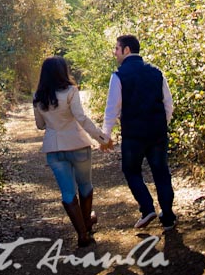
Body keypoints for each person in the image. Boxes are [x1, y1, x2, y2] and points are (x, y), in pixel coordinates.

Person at [101, 34, 176, 231]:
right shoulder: (156, 72)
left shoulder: (118, 76)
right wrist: (162, 123)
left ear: (126, 50)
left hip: (133, 135)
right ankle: (167, 216)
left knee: (131, 170)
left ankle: (147, 208)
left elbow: (112, 109)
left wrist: (105, 136)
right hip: (157, 133)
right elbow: (168, 104)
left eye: (117, 48)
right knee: (161, 173)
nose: (115, 53)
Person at [33, 56, 108, 247]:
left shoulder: (38, 97)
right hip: (78, 144)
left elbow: (40, 125)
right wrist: (102, 138)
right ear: (63, 71)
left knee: (67, 193)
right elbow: (81, 119)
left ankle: (82, 234)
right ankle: (88, 226)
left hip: (54, 149)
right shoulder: (71, 91)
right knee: (85, 186)